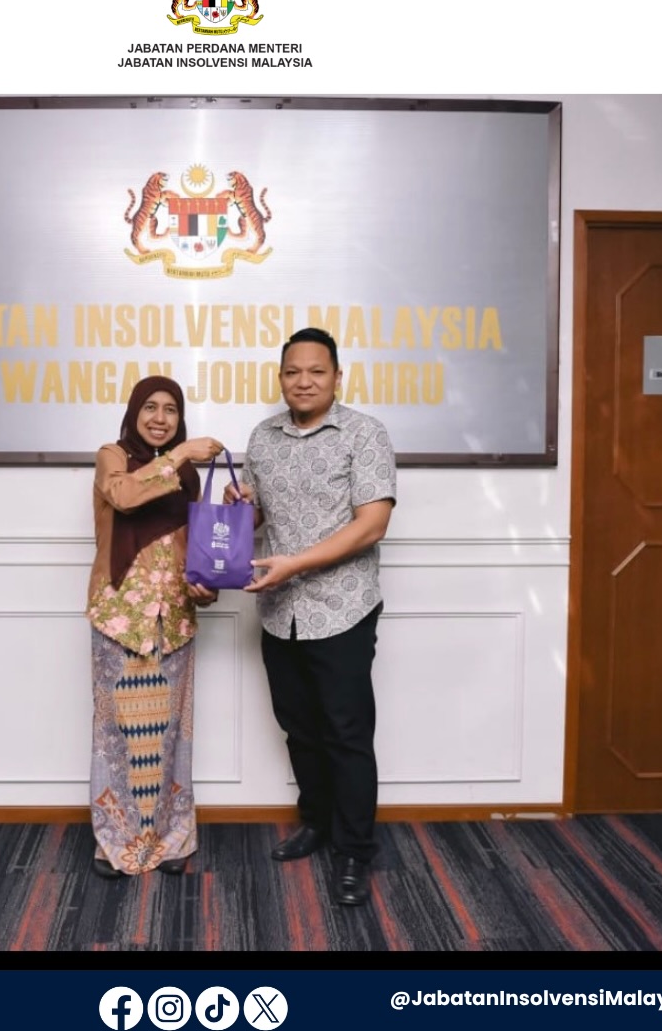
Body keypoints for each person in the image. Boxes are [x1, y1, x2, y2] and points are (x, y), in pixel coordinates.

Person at [226, 327, 397, 906]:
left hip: (343, 607)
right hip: (280, 610)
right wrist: (241, 510)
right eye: (293, 372)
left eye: (316, 371)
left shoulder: (365, 434)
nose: (304, 381)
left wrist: (295, 564)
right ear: (281, 378)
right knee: (298, 726)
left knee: (347, 733)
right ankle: (318, 822)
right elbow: (258, 518)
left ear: (337, 376)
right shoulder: (263, 437)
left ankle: (354, 850)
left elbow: (372, 524)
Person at [86, 375, 224, 879]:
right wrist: (182, 452)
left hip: (175, 617)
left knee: (169, 735)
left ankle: (172, 838)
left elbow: (197, 544)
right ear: (134, 413)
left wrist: (206, 586)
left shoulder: (188, 478)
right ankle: (114, 843)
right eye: (150, 407)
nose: (160, 418)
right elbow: (124, 496)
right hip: (120, 615)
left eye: (170, 409)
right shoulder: (113, 457)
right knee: (117, 735)